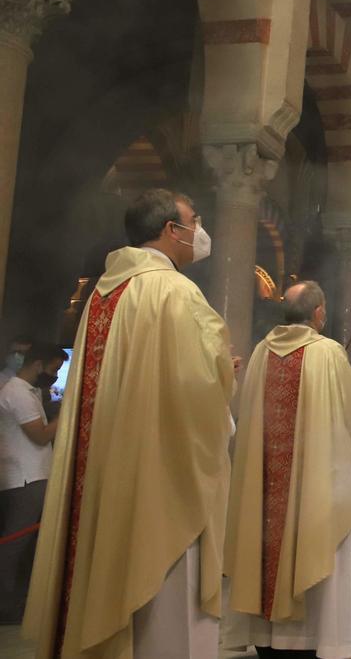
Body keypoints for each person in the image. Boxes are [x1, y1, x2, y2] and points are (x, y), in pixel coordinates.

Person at [23, 188, 236, 657]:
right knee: (165, 607)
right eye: (193, 221)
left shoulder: (104, 292)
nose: (199, 230)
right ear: (170, 231)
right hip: (157, 475)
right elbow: (197, 384)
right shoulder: (175, 291)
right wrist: (224, 372)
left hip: (102, 471)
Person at [225, 281, 351, 659]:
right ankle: (314, 639)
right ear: (318, 313)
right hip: (312, 483)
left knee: (264, 544)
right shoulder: (329, 353)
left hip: (263, 485)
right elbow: (350, 408)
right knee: (313, 537)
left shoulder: (260, 353)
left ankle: (269, 638)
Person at [0, 343, 65, 624]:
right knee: (15, 544)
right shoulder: (17, 392)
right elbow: (39, 436)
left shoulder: (29, 392)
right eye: (53, 370)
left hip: (33, 474)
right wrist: (68, 415)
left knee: (26, 545)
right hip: (25, 477)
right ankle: (6, 605)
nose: (53, 376)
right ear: (38, 365)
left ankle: (17, 598)